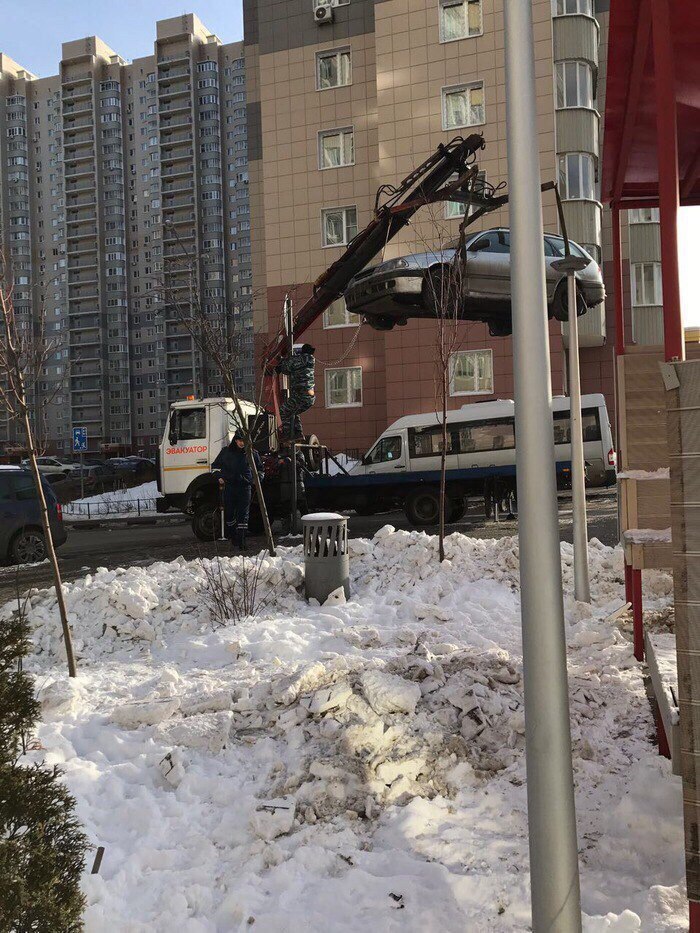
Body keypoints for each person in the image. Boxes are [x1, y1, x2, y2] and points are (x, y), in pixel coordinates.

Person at [211, 430, 263, 551]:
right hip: (229, 487)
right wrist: (219, 477)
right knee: (229, 514)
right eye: (240, 440)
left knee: (243, 515)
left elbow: (260, 469)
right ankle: (233, 534)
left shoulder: (252, 453)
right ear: (235, 440)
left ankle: (242, 540)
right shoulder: (226, 452)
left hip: (245, 487)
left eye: (244, 441)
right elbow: (214, 467)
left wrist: (257, 480)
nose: (242, 443)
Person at [277, 344, 316, 442]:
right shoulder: (310, 361)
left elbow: (286, 368)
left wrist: (281, 361)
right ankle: (298, 433)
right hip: (309, 397)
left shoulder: (300, 359)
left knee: (283, 411)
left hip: (301, 395)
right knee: (293, 411)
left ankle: (287, 434)